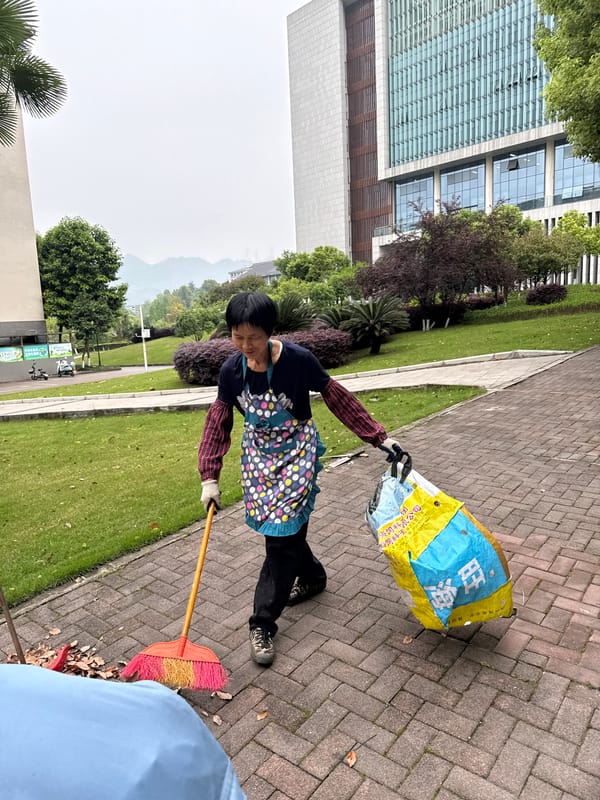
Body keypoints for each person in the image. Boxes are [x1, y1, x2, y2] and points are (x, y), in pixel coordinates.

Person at [198, 291, 402, 666]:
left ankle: (262, 622)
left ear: (270, 332)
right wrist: (209, 476)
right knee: (284, 532)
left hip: (297, 453)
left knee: (281, 538)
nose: (246, 347)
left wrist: (378, 437)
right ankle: (312, 577)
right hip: (259, 455)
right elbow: (219, 423)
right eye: (237, 337)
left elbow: (338, 399)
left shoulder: (298, 361)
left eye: (253, 338)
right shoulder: (231, 371)